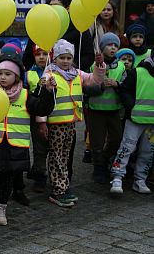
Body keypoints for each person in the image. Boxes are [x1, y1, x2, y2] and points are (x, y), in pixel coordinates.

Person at [0, 53, 55, 225]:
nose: (3, 77)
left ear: (17, 76)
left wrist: (48, 92)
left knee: (8, 177)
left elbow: (42, 108)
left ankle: (1, 207)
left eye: (8, 74)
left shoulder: (25, 95)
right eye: (0, 74)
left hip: (15, 144)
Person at [39, 39, 105, 207]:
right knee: (56, 157)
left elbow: (94, 80)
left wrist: (99, 66)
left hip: (70, 124)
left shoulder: (77, 74)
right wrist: (43, 122)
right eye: (62, 58)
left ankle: (63, 185)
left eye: (69, 58)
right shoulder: (50, 74)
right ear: (55, 59)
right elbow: (42, 97)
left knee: (65, 156)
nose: (66, 61)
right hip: (56, 124)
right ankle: (58, 190)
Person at [110, 50, 154, 194]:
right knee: (126, 147)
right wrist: (131, 106)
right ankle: (117, 176)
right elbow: (124, 90)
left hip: (151, 124)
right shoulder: (138, 72)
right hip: (135, 119)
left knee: (148, 151)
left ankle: (140, 179)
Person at [84, 33, 125, 184]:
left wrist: (118, 85)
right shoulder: (93, 66)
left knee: (116, 138)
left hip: (114, 110)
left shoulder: (121, 66)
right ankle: (99, 167)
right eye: (109, 45)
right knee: (97, 141)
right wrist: (100, 86)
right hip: (96, 109)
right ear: (102, 48)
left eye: (115, 45)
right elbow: (86, 88)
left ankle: (105, 158)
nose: (113, 48)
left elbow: (126, 86)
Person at [24, 0, 95, 72]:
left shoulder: (79, 27)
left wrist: (69, 66)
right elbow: (28, 57)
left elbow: (88, 56)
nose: (52, 9)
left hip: (71, 76)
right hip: (44, 75)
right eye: (50, 6)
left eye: (56, 6)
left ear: (67, 8)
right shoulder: (41, 25)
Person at [26, 45, 50, 193]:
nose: (41, 57)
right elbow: (28, 96)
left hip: (54, 116)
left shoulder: (55, 72)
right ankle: (40, 176)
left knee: (49, 147)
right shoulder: (28, 74)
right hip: (35, 116)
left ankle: (37, 169)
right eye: (38, 54)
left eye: (45, 54)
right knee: (39, 146)